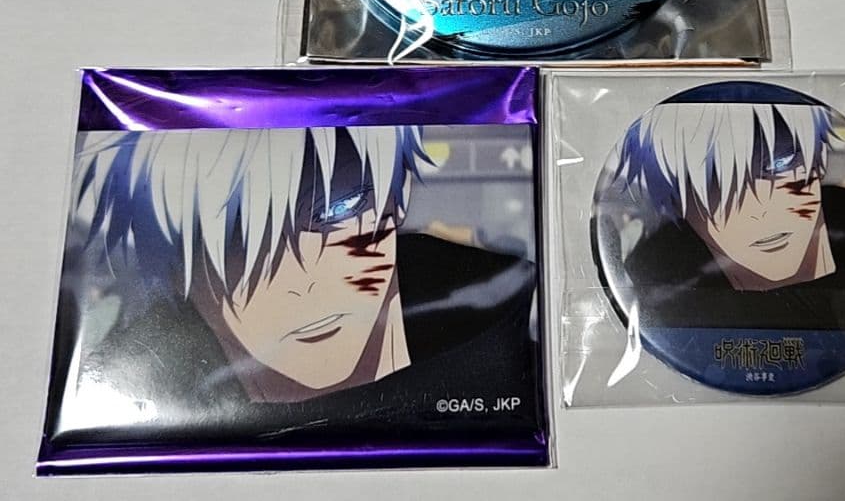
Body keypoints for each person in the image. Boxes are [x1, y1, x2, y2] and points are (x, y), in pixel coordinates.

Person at [51, 126, 539, 445]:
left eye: (337, 212)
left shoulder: (507, 328)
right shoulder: (132, 409)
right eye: (241, 244)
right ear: (176, 268)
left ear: (397, 198)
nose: (304, 282)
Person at [611, 86, 845, 332]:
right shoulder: (659, 279)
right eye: (717, 192)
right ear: (682, 208)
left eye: (778, 169)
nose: (759, 210)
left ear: (817, 162)